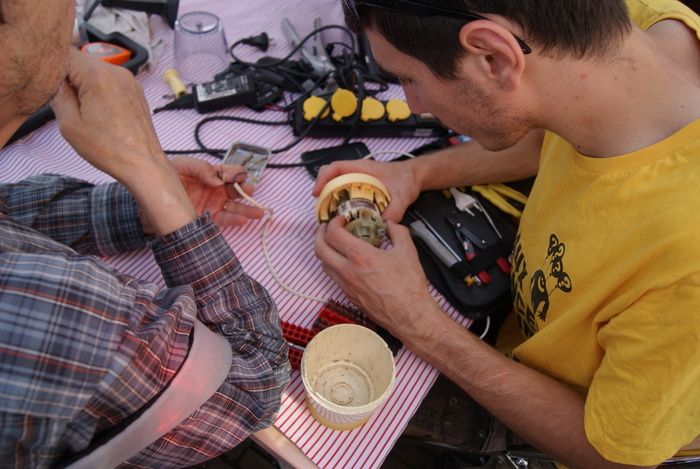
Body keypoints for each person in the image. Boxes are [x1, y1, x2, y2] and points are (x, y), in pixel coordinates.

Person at [314, 0, 700, 467]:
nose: (411, 104)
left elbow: (610, 455)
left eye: (408, 79)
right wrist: (415, 173)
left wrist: (417, 322)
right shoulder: (636, 27)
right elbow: (546, 121)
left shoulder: (687, 261)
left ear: (493, 57)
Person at [0, 1, 289, 467]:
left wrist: (152, 204)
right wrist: (147, 166)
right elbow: (254, 385)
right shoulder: (46, 308)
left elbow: (9, 217)